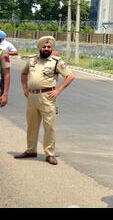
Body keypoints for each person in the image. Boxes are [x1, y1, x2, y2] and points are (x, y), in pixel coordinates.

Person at [15, 36, 75, 165]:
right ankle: (31, 150)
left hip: (47, 96)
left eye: (49, 47)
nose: (46, 48)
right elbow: (24, 73)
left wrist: (58, 90)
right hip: (32, 97)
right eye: (44, 46)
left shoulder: (56, 61)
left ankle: (49, 153)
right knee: (31, 125)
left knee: (49, 126)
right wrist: (25, 88)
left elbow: (70, 76)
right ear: (39, 47)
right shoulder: (32, 60)